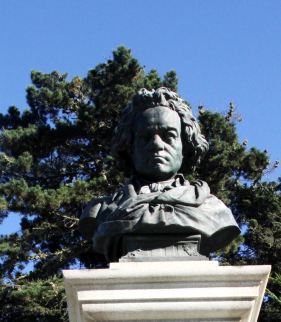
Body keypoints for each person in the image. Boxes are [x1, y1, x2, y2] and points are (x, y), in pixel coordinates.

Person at [78, 88, 240, 262]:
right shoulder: (101, 210)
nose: (156, 145)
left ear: (185, 146)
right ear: (130, 148)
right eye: (144, 137)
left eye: (168, 136)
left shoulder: (213, 209)